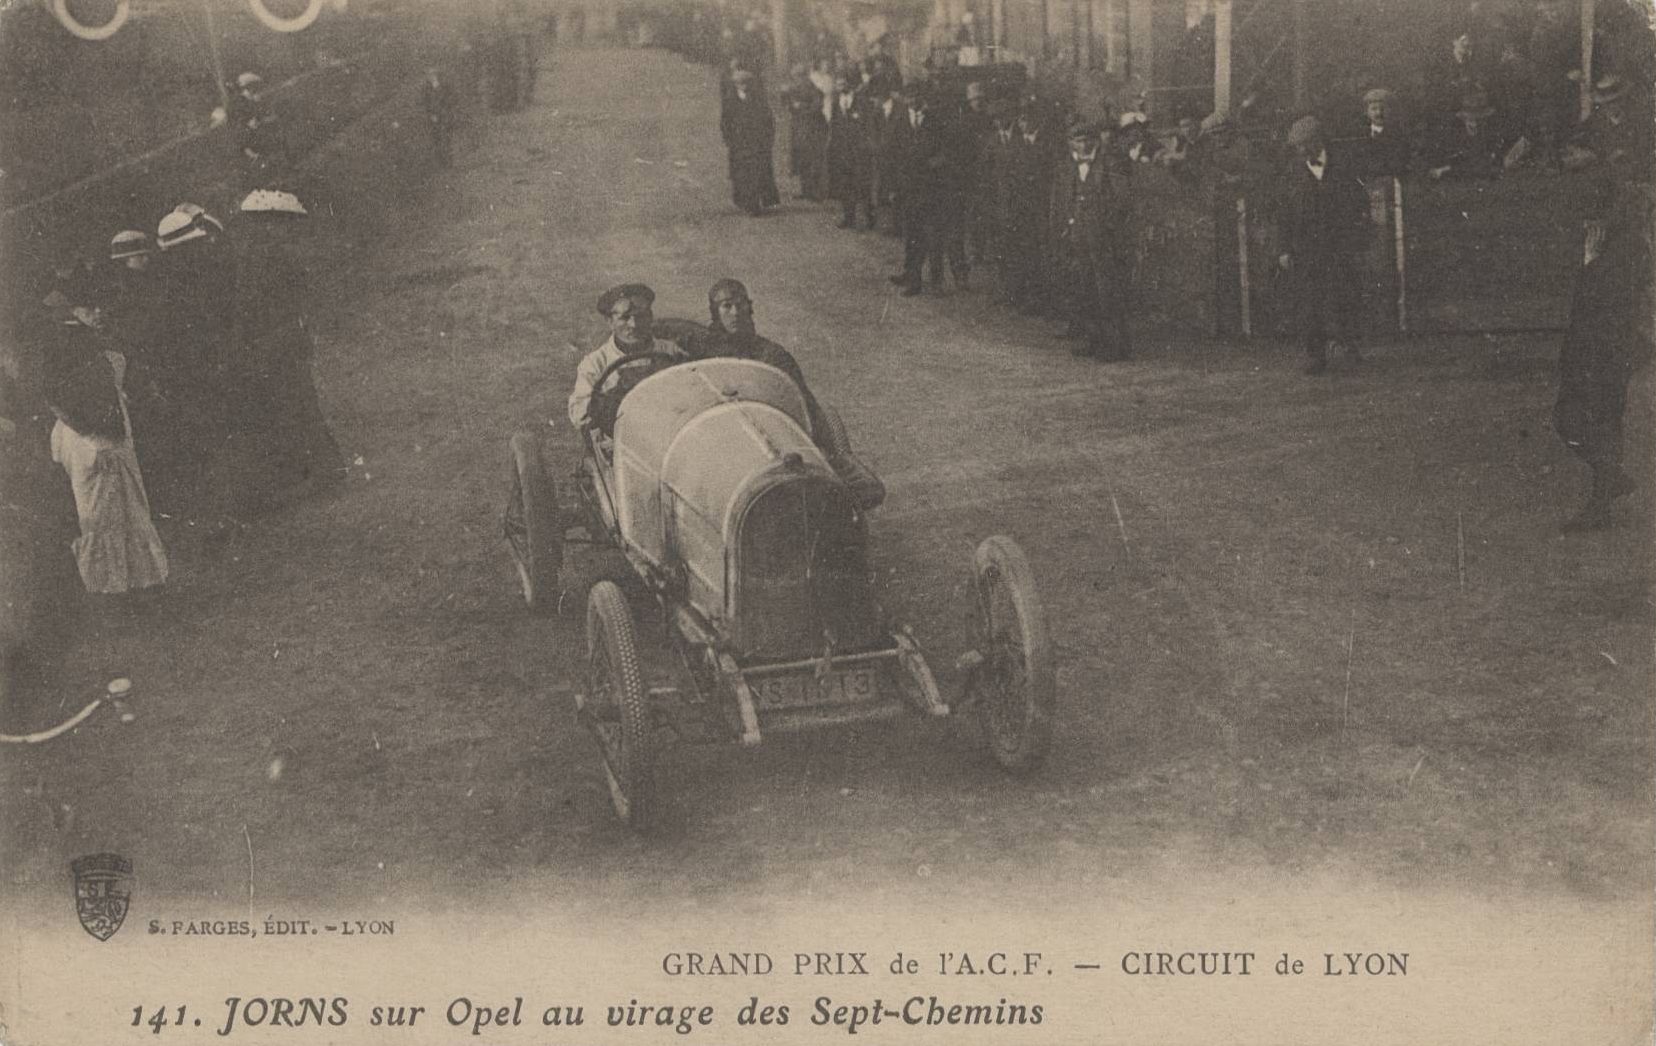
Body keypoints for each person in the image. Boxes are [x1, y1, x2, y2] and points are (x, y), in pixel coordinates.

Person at [1553, 73, 1654, 531]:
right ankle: (1606, 484)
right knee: (1582, 416)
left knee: (1587, 415)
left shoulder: (1618, 237)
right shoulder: (1610, 227)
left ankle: (1602, 497)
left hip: (1607, 335)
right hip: (1598, 336)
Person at [690, 279, 884, 510]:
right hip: (726, 442)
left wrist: (830, 452)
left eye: (741, 305)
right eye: (727, 306)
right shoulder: (703, 351)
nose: (736, 313)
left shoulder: (772, 355)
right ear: (715, 312)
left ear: (749, 308)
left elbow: (804, 405)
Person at [230, 188, 345, 507]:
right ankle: (324, 467)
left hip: (278, 340)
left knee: (297, 403)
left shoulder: (268, 256)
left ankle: (325, 470)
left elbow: (256, 303)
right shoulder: (270, 254)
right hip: (282, 338)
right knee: (297, 403)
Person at [44, 306, 169, 597]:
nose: (98, 313)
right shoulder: (64, 344)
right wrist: (90, 434)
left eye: (100, 308)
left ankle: (141, 579)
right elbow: (54, 397)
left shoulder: (108, 343)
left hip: (115, 430)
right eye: (89, 309)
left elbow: (121, 379)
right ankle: (105, 587)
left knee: (130, 504)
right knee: (99, 510)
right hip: (86, 438)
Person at [1277, 116, 1368, 375]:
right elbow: (1284, 214)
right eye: (1297, 147)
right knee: (1309, 301)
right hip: (1305, 248)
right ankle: (1314, 354)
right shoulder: (1292, 173)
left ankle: (1347, 345)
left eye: (1305, 145)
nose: (1301, 151)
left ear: (1318, 141)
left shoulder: (1344, 168)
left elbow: (1360, 205)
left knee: (1344, 295)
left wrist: (1357, 239)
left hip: (1339, 245)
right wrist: (1284, 249)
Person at [1049, 118, 1135, 361]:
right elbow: (1065, 200)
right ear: (1071, 144)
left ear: (1095, 141)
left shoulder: (1110, 163)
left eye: (1087, 140)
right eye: (1078, 140)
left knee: (1108, 291)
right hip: (1080, 239)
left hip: (1105, 239)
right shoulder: (1070, 167)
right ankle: (1095, 341)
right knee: (1086, 289)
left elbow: (1122, 200)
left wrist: (1108, 228)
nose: (1083, 145)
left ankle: (1117, 346)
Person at [568, 283, 686, 433]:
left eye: (640, 316)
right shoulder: (595, 364)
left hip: (666, 433)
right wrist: (612, 398)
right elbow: (579, 414)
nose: (633, 324)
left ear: (650, 316)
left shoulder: (671, 352)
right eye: (624, 318)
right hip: (619, 440)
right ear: (610, 322)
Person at [720, 67, 779, 215]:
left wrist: (768, 139)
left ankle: (754, 204)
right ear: (735, 85)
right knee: (741, 173)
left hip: (756, 142)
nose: (743, 86)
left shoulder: (758, 99)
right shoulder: (730, 100)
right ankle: (745, 201)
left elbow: (768, 120)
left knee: (756, 172)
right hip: (739, 143)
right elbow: (725, 122)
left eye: (745, 83)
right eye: (740, 83)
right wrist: (729, 139)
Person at [825, 72, 873, 228]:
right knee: (845, 185)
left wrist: (864, 145)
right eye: (838, 85)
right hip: (842, 151)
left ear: (849, 85)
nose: (841, 87)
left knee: (862, 185)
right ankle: (848, 217)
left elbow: (867, 126)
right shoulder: (836, 103)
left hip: (858, 152)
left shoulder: (861, 102)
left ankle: (869, 217)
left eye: (843, 84)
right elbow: (834, 126)